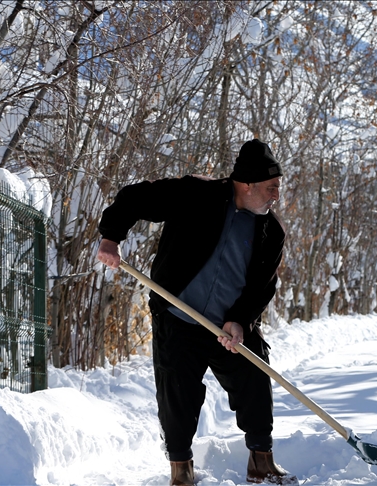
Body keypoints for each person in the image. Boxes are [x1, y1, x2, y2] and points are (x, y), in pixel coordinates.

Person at [95, 139, 296, 485]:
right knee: (177, 396)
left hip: (226, 326)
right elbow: (135, 198)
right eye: (271, 187)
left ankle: (261, 462)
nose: (275, 195)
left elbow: (262, 287)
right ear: (246, 184)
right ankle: (181, 471)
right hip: (178, 317)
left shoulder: (270, 231)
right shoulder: (195, 194)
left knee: (255, 380)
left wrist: (241, 321)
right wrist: (112, 236)